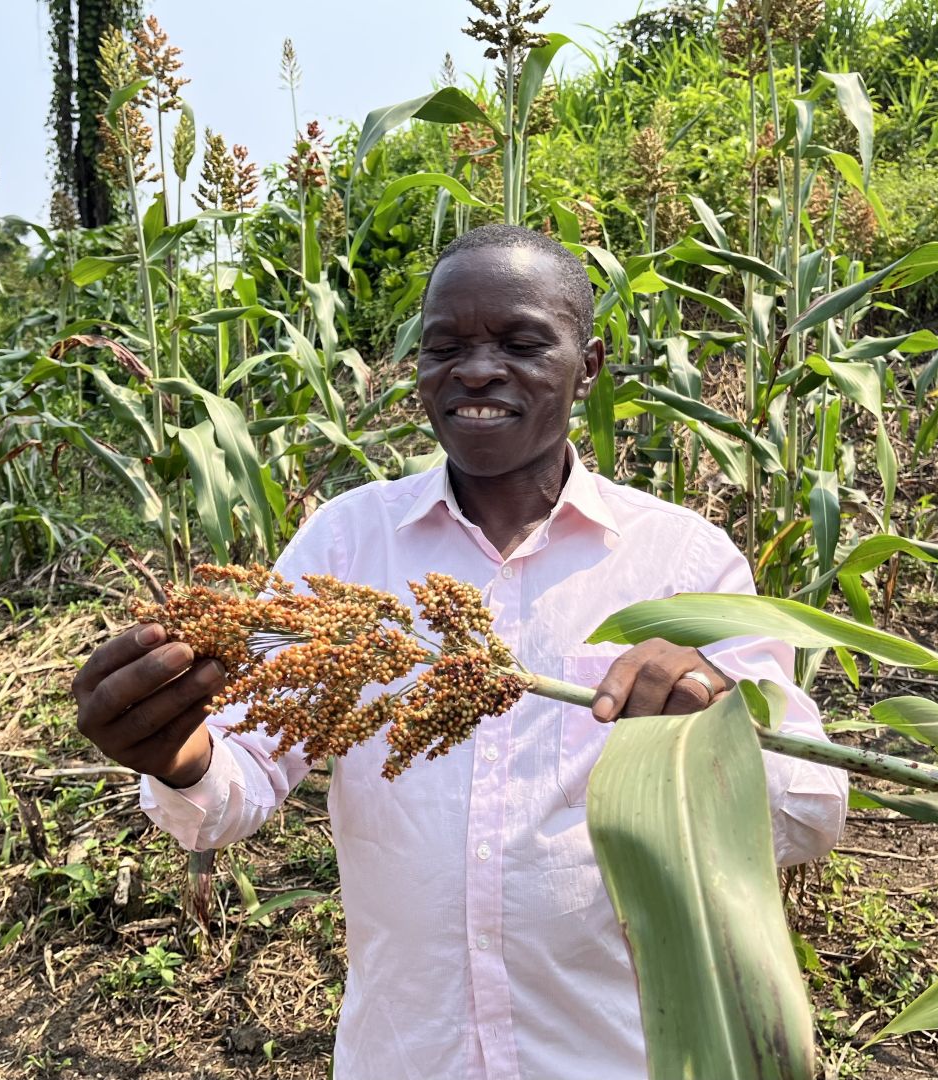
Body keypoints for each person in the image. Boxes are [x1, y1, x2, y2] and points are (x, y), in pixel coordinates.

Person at [72, 224, 846, 1079]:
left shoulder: (682, 565)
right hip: (409, 1053)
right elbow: (239, 779)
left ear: (587, 366)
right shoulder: (346, 544)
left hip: (616, 1055)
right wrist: (177, 758)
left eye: (520, 343)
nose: (476, 371)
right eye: (446, 348)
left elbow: (810, 812)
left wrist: (716, 730)